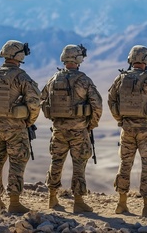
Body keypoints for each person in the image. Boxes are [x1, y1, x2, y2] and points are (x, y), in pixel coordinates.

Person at [0, 40, 41, 213]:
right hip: (15, 129)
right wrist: (28, 122)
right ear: (19, 56)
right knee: (17, 162)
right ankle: (14, 202)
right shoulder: (21, 76)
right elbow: (34, 103)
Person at [107, 45, 147, 216]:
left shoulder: (120, 79)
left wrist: (120, 119)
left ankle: (121, 204)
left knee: (125, 163)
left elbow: (111, 100)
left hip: (127, 128)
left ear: (131, 59)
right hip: (146, 130)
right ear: (146, 60)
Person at [40, 44, 103, 213]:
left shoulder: (53, 79)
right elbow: (97, 105)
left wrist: (54, 118)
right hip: (79, 131)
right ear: (78, 59)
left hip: (59, 130)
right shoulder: (83, 80)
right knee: (79, 165)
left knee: (56, 162)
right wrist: (91, 125)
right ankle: (78, 201)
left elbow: (42, 101)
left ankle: (52, 198)